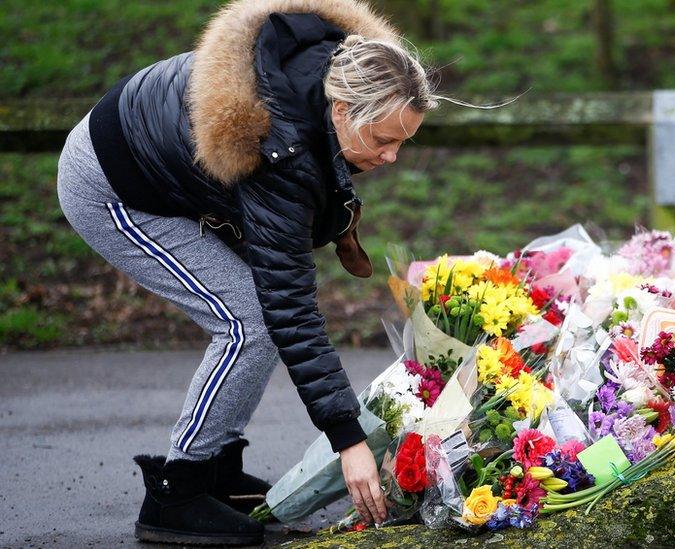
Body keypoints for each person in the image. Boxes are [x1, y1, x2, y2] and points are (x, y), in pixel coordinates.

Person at [56, 0, 438, 544]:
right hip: (113, 186)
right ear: (340, 110)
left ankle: (217, 469)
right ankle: (178, 490)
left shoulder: (334, 76)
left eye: (405, 140)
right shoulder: (277, 146)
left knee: (254, 317)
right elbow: (290, 308)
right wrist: (349, 439)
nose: (392, 157)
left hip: (170, 164)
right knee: (249, 321)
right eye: (383, 140)